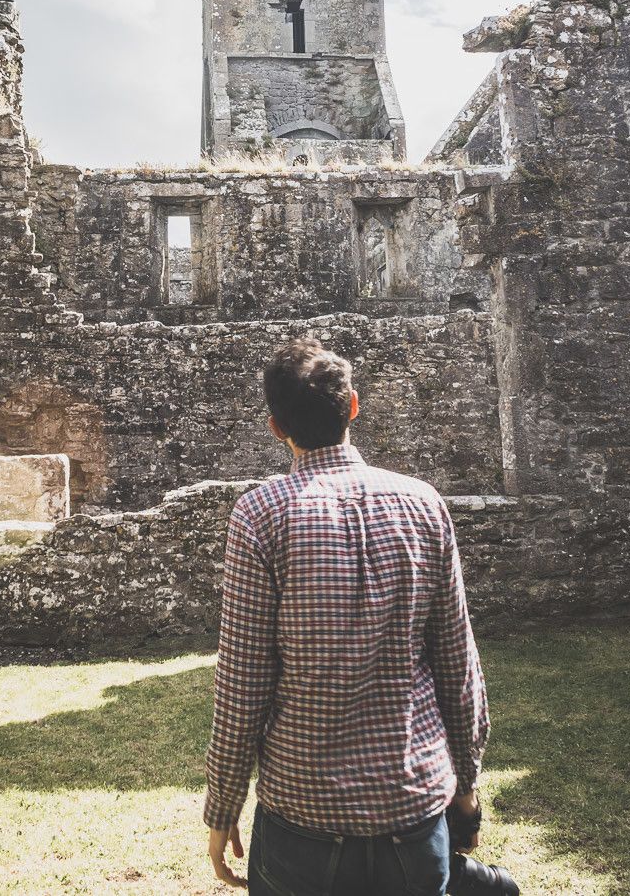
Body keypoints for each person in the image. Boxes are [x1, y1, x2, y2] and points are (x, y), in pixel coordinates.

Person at [204, 338, 490, 894]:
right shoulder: (423, 503)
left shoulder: (261, 515)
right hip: (411, 801)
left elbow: (242, 683)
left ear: (274, 426)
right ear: (353, 406)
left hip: (303, 811)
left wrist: (223, 808)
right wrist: (467, 784)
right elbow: (458, 661)